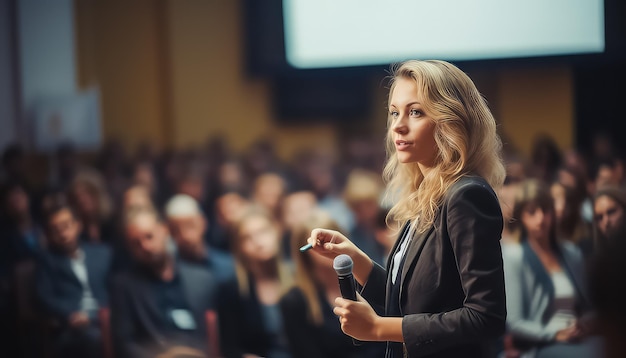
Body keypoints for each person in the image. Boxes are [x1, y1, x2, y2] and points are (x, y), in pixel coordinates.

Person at [306, 60, 507, 357]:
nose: (398, 125)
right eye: (394, 113)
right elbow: (407, 302)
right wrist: (355, 258)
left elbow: (485, 317)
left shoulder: (466, 196)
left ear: (451, 121)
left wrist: (378, 329)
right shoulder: (427, 193)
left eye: (415, 112)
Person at [502, 179, 600, 357]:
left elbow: (588, 307)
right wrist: (555, 333)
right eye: (532, 212)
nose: (540, 218)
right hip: (541, 343)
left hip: (576, 336)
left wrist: (583, 324)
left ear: (553, 213)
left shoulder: (571, 253)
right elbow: (515, 323)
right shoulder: (515, 256)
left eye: (545, 210)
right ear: (522, 216)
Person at [109, 206, 219, 358]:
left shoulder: (203, 279)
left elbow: (220, 337)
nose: (145, 246)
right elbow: (124, 344)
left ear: (164, 230)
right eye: (136, 243)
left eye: (149, 237)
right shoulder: (124, 286)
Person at [280, 209, 385, 358]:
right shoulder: (295, 300)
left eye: (332, 241)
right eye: (320, 243)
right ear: (306, 252)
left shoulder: (367, 282)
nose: (329, 247)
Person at [35, 203, 112, 358]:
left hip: (105, 316)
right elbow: (44, 297)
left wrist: (105, 311)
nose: (63, 234)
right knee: (93, 338)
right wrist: (70, 314)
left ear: (78, 225)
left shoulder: (102, 253)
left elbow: (116, 287)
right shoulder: (47, 261)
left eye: (66, 226)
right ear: (49, 235)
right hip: (73, 326)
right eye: (56, 230)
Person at [218, 205, 293, 358]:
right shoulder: (231, 290)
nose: (258, 242)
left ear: (276, 230)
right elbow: (230, 348)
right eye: (247, 238)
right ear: (239, 246)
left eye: (263, 232)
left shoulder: (298, 278)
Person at [164, 193, 236, 284]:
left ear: (203, 222)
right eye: (175, 229)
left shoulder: (228, 267)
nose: (185, 235)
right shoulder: (168, 273)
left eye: (190, 225)